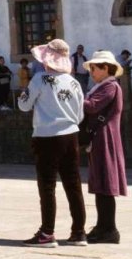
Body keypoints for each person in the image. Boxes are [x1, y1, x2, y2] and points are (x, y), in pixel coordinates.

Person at [16, 38, 86, 247]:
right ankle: (79, 232)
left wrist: (24, 96)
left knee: (47, 186)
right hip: (71, 135)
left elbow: (24, 106)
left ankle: (47, 232)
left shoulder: (39, 79)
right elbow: (80, 114)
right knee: (73, 184)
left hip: (47, 136)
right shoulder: (74, 82)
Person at [80, 50, 127, 244]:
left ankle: (109, 228)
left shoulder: (110, 87)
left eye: (94, 68)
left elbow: (91, 106)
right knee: (101, 185)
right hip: (100, 137)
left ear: (105, 68)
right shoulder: (103, 87)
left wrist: (72, 97)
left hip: (105, 137)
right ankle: (103, 226)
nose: (91, 72)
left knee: (106, 185)